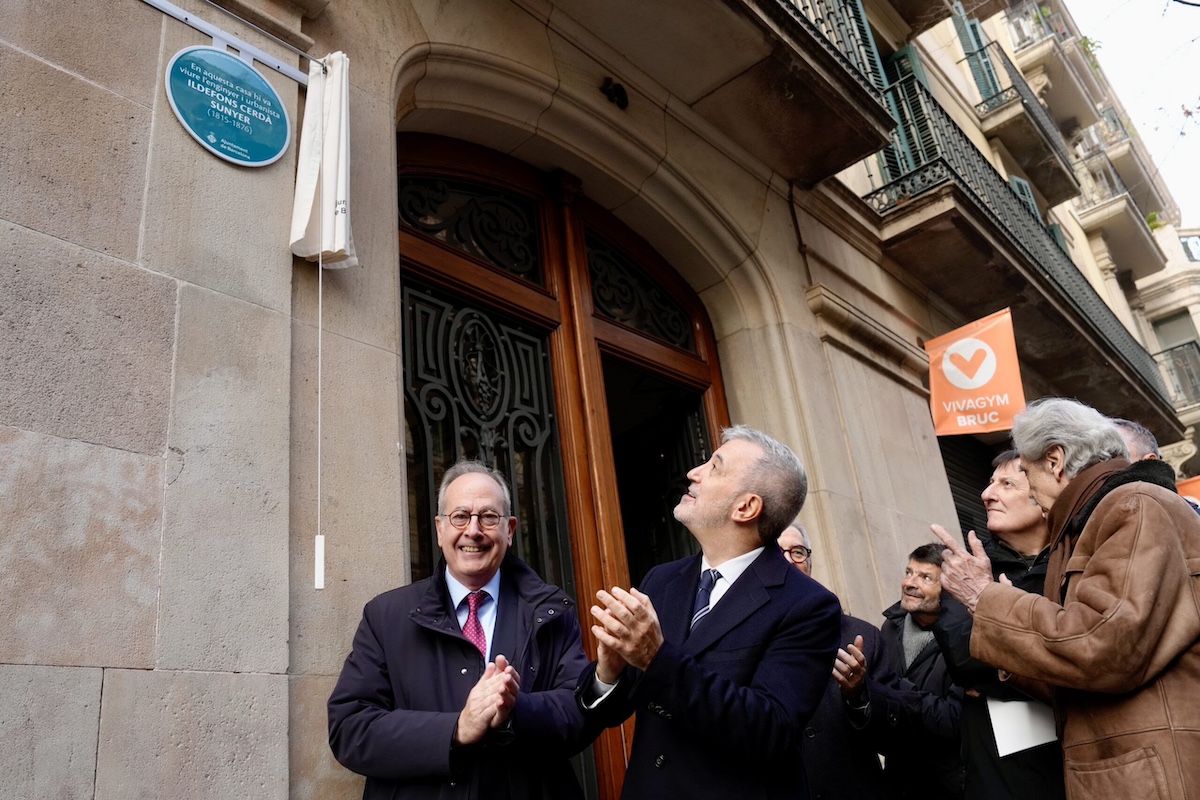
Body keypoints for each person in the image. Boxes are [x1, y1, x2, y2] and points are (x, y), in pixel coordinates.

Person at [934, 397, 1200, 800]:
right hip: (1122, 772)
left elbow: (1105, 646)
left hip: (1152, 776)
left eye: (1023, 472)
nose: (1017, 489)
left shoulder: (1133, 504)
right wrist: (1010, 660)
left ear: (1055, 460)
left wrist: (986, 599)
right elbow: (1077, 679)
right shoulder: (1088, 522)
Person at [578, 425, 841, 800]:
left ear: (746, 507)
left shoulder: (809, 606)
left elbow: (770, 729)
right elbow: (612, 711)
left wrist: (656, 657)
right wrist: (609, 671)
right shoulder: (662, 579)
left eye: (714, 466)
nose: (693, 472)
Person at [328, 460, 595, 800]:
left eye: (488, 516)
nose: (473, 530)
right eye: (460, 517)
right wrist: (456, 729)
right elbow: (350, 730)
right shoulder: (385, 616)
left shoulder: (552, 612)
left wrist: (517, 711)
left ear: (509, 530)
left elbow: (581, 712)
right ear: (440, 529)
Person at [932, 450, 1065, 800]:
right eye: (990, 483)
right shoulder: (968, 568)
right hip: (1001, 769)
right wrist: (1048, 662)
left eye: (1007, 484)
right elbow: (966, 660)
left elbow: (1088, 653)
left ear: (1041, 496)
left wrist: (1004, 657)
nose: (987, 494)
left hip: (1077, 757)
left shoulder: (1075, 561)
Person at [781, 522, 902, 800]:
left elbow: (897, 736)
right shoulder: (742, 636)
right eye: (777, 552)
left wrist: (860, 696)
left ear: (809, 563)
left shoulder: (862, 635)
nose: (788, 560)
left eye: (797, 552)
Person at [879, 544, 964, 800]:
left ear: (947, 589)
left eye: (925, 577)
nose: (909, 583)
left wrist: (898, 690)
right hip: (898, 782)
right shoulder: (890, 627)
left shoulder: (965, 637)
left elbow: (955, 721)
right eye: (909, 572)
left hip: (947, 786)